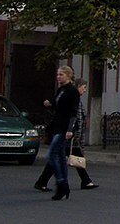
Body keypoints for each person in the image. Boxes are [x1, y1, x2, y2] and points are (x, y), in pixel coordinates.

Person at [35, 78, 96, 191]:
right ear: (77, 87)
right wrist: (72, 133)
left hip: (70, 135)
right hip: (68, 135)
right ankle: (83, 181)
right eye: (83, 87)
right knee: (62, 157)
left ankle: (86, 181)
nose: (85, 90)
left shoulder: (73, 98)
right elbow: (74, 118)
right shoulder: (72, 98)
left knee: (66, 157)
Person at [36, 65, 79, 200]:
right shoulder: (60, 89)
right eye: (58, 74)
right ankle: (64, 186)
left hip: (64, 128)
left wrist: (70, 129)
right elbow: (57, 104)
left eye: (61, 74)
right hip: (57, 126)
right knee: (60, 157)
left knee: (51, 155)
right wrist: (50, 103)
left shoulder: (73, 91)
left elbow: (73, 112)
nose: (58, 77)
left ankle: (61, 183)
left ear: (68, 76)